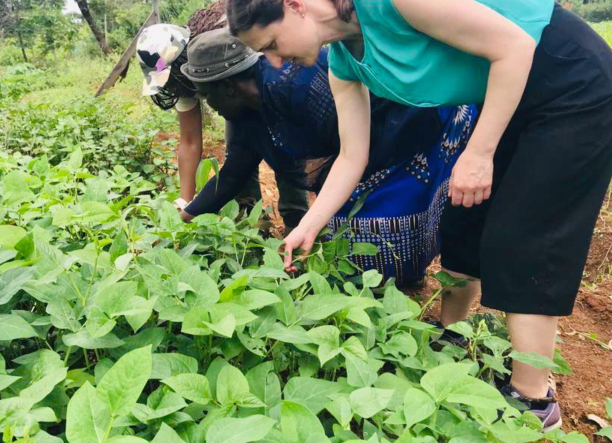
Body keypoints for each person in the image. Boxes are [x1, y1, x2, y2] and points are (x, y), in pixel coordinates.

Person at [225, 0, 612, 430]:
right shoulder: (344, 64)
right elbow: (352, 158)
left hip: (570, 83)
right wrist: (308, 225)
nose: (275, 62)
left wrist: (478, 154)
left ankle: (535, 401)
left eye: (271, 45)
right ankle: (451, 336)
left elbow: (515, 47)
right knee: (462, 215)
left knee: (524, 235)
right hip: (509, 94)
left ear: (294, 5)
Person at [179, 28, 476, 287]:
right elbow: (233, 174)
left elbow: (353, 152)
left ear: (229, 87)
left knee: (380, 213)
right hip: (358, 151)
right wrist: (182, 218)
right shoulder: (247, 114)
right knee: (342, 217)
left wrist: (322, 214)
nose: (210, 105)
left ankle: (398, 280)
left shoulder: (296, 86)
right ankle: (386, 279)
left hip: (408, 123)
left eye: (207, 96)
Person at [135, 6, 309, 232]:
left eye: (171, 80)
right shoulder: (181, 86)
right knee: (238, 159)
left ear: (181, 63)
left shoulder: (218, 50)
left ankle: (299, 225)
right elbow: (190, 142)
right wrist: (185, 204)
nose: (171, 88)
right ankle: (253, 225)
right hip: (229, 102)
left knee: (285, 152)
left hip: (257, 93)